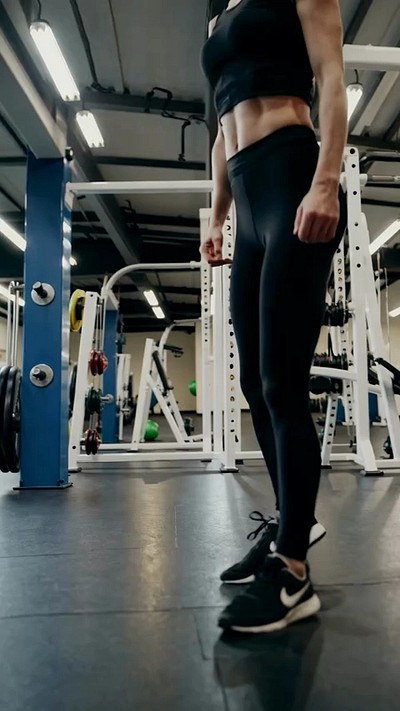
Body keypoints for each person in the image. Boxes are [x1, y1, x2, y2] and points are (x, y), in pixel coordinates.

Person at [200, 0, 348, 633]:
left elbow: (332, 77)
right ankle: (294, 520)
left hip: (292, 173)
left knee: (282, 383)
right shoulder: (218, 17)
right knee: (255, 384)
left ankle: (292, 571)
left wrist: (326, 181)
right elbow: (220, 125)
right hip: (246, 192)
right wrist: (216, 214)